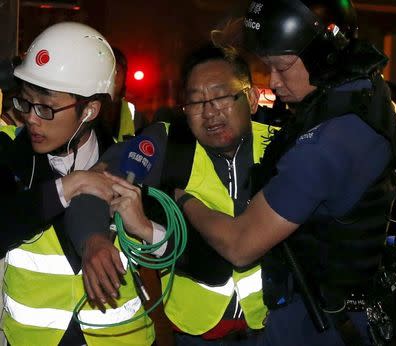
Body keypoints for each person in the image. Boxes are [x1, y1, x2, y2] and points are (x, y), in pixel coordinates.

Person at [172, 0, 396, 345]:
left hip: (315, 324)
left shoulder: (322, 148)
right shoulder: (368, 93)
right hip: (355, 308)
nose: (273, 81)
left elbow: (240, 246)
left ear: (325, 56)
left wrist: (185, 200)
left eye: (282, 67)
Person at [72, 44, 274, 345]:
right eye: (195, 102)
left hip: (272, 324)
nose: (209, 113)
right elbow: (93, 183)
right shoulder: (168, 144)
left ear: (252, 98)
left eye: (220, 97)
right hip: (195, 331)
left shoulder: (281, 148)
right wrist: (93, 240)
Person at [0, 22, 153, 345]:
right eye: (26, 103)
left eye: (46, 107)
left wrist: (147, 229)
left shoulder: (131, 164)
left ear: (89, 110)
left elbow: (166, 253)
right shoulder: (9, 158)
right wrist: (69, 186)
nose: (31, 118)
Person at [100, 46, 149, 142]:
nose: (111, 77)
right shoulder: (85, 110)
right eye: (107, 71)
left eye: (116, 71)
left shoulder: (136, 118)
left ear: (124, 76)